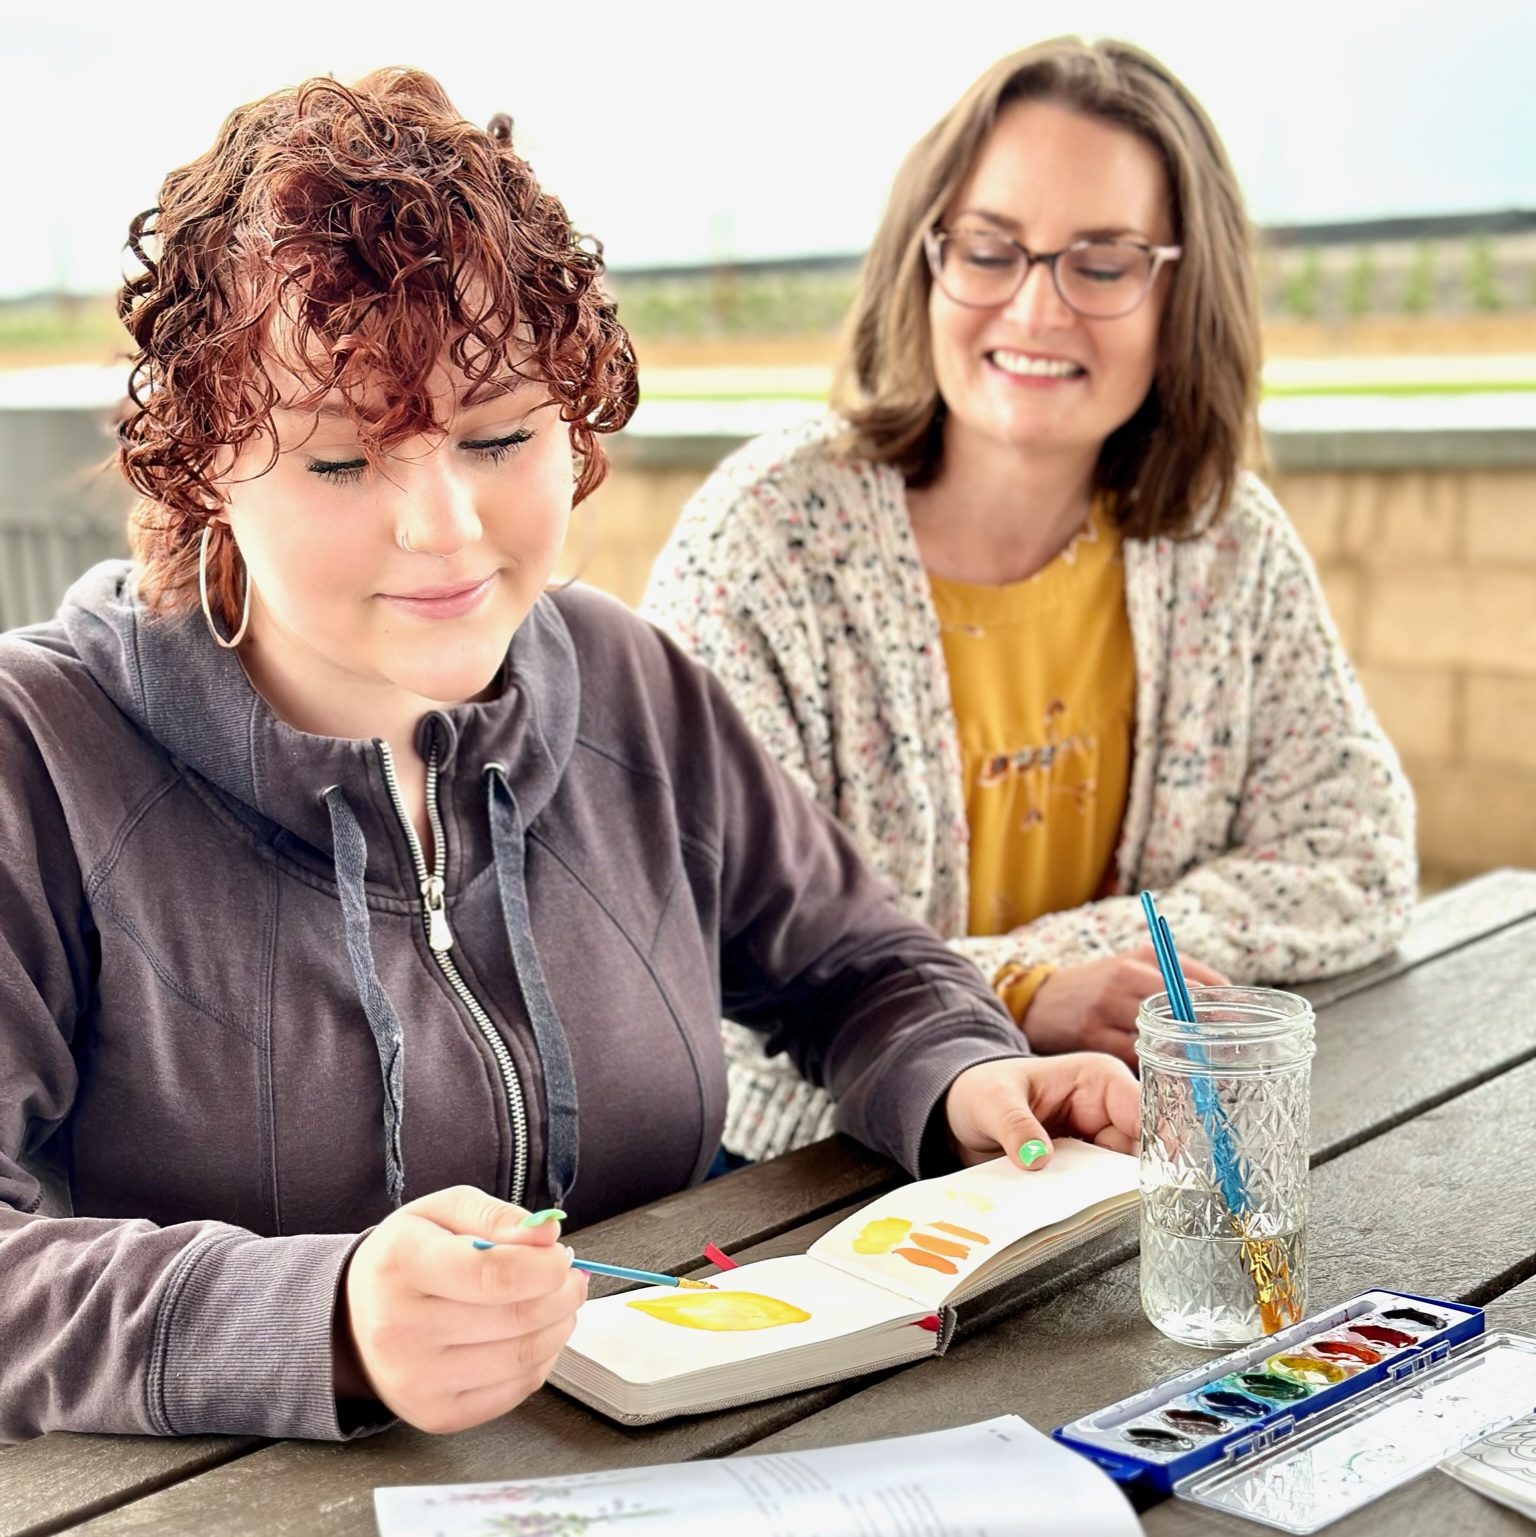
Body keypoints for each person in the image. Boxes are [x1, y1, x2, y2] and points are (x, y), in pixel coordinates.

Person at [0, 69, 1141, 1446]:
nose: (444, 527)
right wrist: (323, 1317)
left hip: (706, 1454)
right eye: (340, 463)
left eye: (499, 436)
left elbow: (859, 966)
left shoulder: (627, 680)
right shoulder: (37, 756)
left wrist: (964, 1079)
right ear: (201, 466)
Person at [642, 38, 1416, 1163]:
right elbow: (702, 960)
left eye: (1101, 263)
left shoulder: (1224, 539)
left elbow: (1359, 854)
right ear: (925, 261)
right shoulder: (764, 541)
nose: (1037, 308)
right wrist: (1017, 991)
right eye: (990, 249)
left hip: (1127, 1156)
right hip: (807, 1179)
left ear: (1182, 292)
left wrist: (1058, 969)